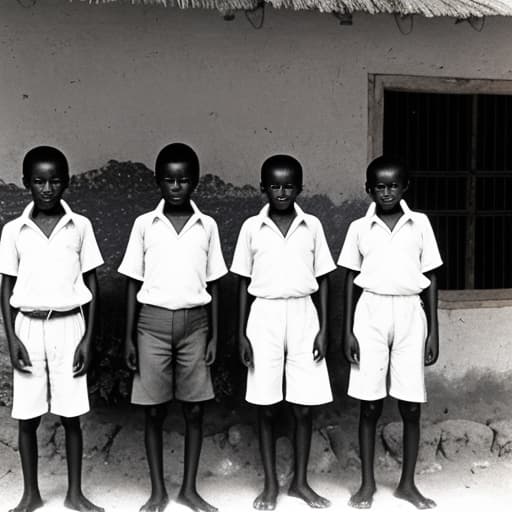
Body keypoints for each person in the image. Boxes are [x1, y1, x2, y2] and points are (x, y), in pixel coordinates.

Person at [119, 142, 227, 512]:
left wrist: (212, 333)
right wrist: (130, 338)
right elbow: (133, 281)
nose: (176, 186)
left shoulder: (206, 225)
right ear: (158, 182)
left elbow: (214, 283)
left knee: (195, 409)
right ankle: (157, 492)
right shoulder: (144, 225)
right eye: (169, 180)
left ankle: (189, 489)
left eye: (183, 180)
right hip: (151, 325)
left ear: (195, 181)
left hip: (195, 326)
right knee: (153, 410)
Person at [0, 146, 104, 512]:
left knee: (71, 415)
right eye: (39, 181)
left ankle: (75, 494)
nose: (47, 188)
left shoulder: (81, 226)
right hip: (28, 328)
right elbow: (6, 287)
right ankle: (30, 494)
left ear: (67, 182)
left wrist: (87, 340)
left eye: (56, 180)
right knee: (27, 417)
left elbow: (93, 283)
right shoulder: (14, 230)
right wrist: (12, 339)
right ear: (26, 182)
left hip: (69, 328)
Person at [231, 154, 336, 511]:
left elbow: (324, 279)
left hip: (304, 314)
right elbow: (243, 282)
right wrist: (242, 334)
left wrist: (324, 329)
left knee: (304, 406)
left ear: (300, 188)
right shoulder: (251, 228)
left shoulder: (313, 226)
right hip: (264, 315)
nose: (281, 192)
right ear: (263, 188)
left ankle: (300, 484)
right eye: (274, 186)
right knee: (266, 405)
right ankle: (271, 486)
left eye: (289, 185)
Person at [338, 156, 442, 510]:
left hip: (411, 313)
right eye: (379, 186)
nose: (386, 193)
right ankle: (367, 484)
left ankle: (407, 485)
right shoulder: (359, 228)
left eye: (393, 185)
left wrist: (433, 333)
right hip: (370, 313)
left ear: (405, 187)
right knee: (370, 403)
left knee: (410, 405)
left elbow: (430, 278)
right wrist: (347, 331)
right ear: (368, 189)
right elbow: (350, 279)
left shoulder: (420, 224)